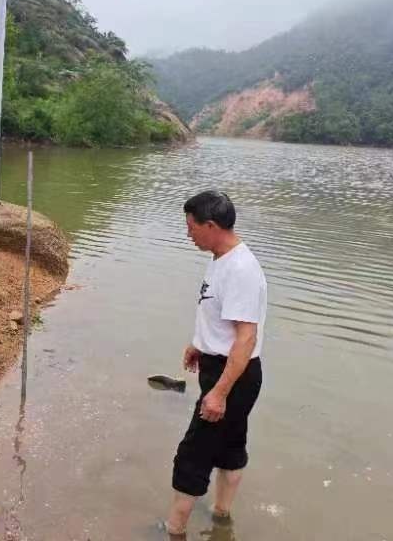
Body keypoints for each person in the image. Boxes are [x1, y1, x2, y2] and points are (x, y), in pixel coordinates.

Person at [166, 190, 267, 539]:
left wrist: (219, 393)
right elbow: (222, 316)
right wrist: (200, 344)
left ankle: (173, 531)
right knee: (229, 447)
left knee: (192, 455)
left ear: (210, 225)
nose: (188, 233)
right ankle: (222, 520)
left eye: (191, 227)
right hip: (228, 369)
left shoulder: (240, 269)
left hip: (232, 376)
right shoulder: (221, 258)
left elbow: (246, 338)